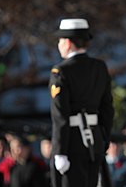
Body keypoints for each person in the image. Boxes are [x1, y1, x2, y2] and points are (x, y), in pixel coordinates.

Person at [49, 18, 114, 187]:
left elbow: (60, 115)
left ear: (68, 43)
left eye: (60, 41)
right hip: (95, 141)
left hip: (71, 144)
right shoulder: (100, 67)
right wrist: (103, 140)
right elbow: (107, 109)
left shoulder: (61, 72)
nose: (59, 44)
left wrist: (60, 152)